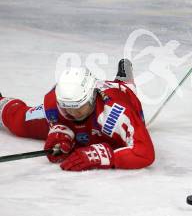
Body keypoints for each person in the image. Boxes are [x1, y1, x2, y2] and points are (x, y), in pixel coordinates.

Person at [0, 59, 155, 171]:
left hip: (120, 95)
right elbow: (21, 118)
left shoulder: (116, 112)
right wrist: (59, 130)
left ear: (93, 97)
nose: (72, 114)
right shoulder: (55, 104)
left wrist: (103, 156)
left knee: (127, 95)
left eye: (79, 107)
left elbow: (145, 153)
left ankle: (124, 83)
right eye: (66, 108)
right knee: (20, 123)